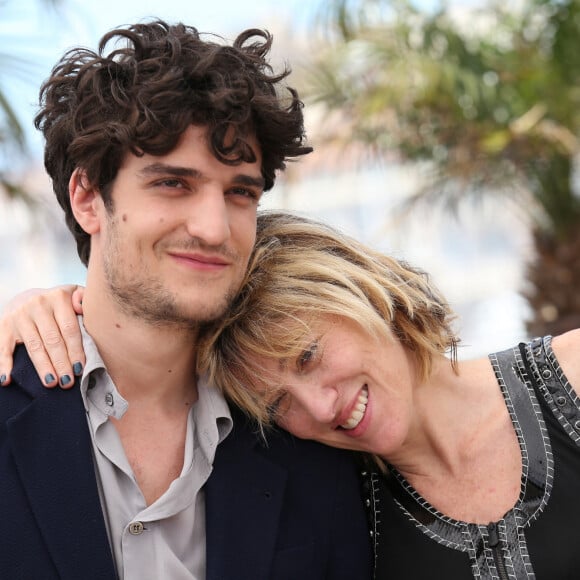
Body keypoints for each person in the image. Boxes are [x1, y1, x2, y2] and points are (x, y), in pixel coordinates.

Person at [3, 211, 580, 580]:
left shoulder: (571, 379)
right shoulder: (329, 495)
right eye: (279, 406)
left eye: (308, 355)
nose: (321, 409)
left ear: (357, 290)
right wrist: (45, 308)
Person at [0, 21, 373, 580]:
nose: (214, 228)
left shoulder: (309, 430)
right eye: (173, 183)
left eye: (239, 192)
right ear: (86, 199)